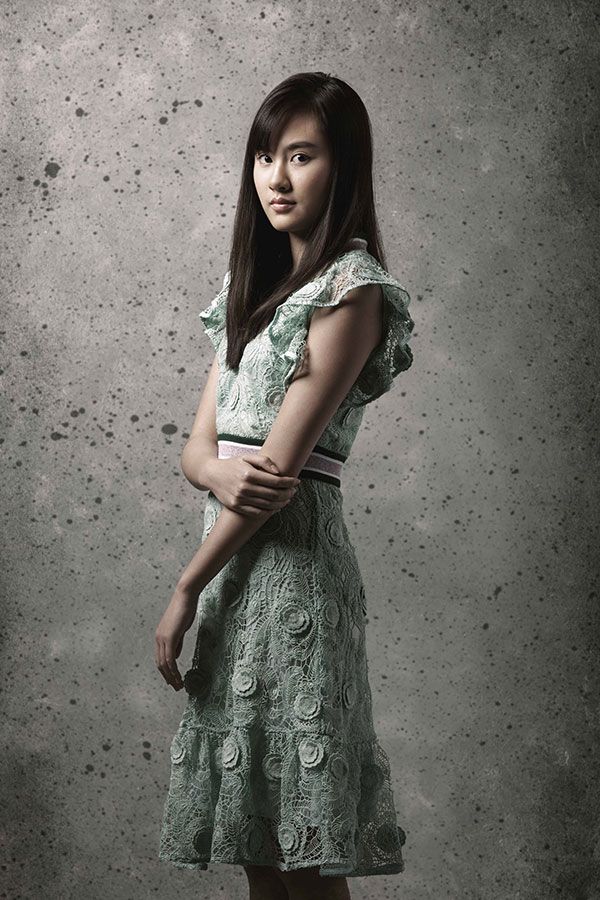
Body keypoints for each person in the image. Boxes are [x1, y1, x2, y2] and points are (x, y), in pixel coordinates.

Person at [155, 71, 415, 900]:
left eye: (301, 156)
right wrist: (216, 471)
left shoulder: (352, 290)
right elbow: (197, 450)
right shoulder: (252, 292)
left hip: (293, 580)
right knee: (256, 846)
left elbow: (275, 476)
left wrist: (185, 588)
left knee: (304, 853)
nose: (276, 177)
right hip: (232, 576)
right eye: (266, 156)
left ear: (343, 167)